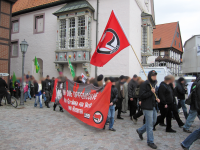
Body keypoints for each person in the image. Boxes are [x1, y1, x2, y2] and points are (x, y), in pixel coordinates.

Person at [136, 70, 160, 149]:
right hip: (146, 106)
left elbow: (153, 94)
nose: (154, 77)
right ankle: (150, 141)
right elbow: (142, 95)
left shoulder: (154, 83)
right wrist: (151, 92)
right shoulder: (144, 84)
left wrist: (156, 98)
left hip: (153, 105)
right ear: (150, 76)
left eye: (155, 75)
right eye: (153, 75)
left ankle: (140, 130)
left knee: (153, 121)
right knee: (150, 125)